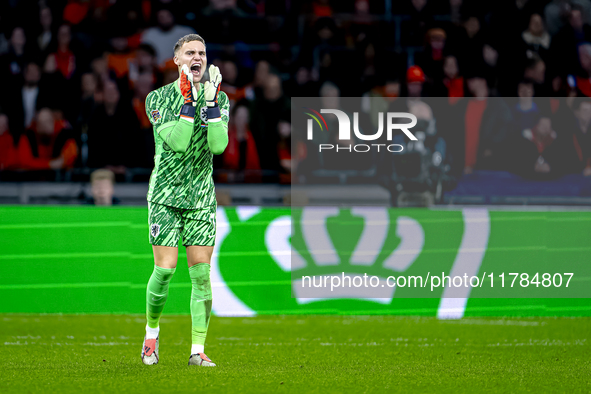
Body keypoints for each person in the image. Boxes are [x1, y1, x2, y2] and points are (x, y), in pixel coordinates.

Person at [141, 34, 229, 367]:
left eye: (202, 53)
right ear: (177, 59)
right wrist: (191, 101)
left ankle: (197, 350)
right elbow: (178, 142)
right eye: (190, 52)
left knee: (201, 275)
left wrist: (211, 104)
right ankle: (151, 335)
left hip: (201, 197)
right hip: (164, 194)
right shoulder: (158, 99)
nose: (197, 57)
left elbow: (218, 146)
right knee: (164, 271)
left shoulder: (219, 98)